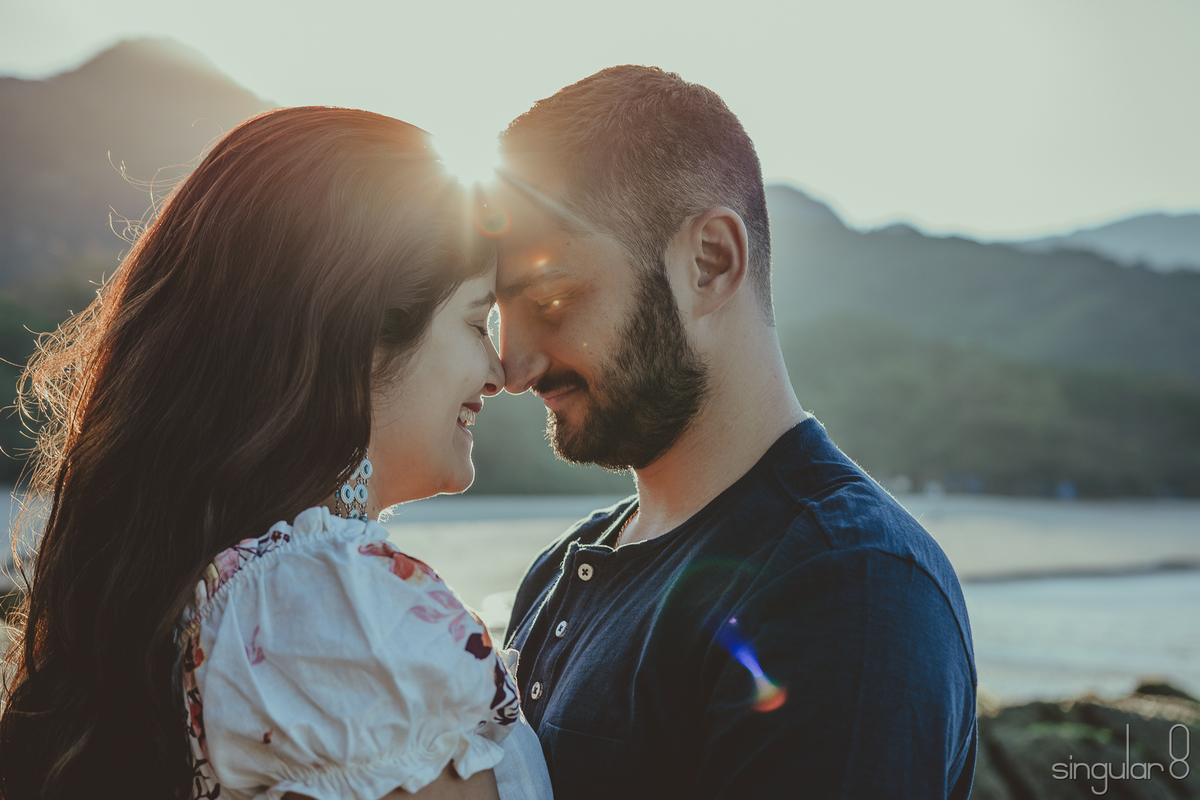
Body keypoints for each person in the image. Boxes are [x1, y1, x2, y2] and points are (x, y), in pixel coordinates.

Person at [0, 107, 552, 800]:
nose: (499, 372)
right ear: (360, 337)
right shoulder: (327, 616)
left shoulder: (232, 593)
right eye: (475, 321)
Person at [491, 66, 978, 799]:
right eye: (496, 315)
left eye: (552, 300)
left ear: (710, 262)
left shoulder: (848, 584)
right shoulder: (563, 567)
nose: (513, 367)